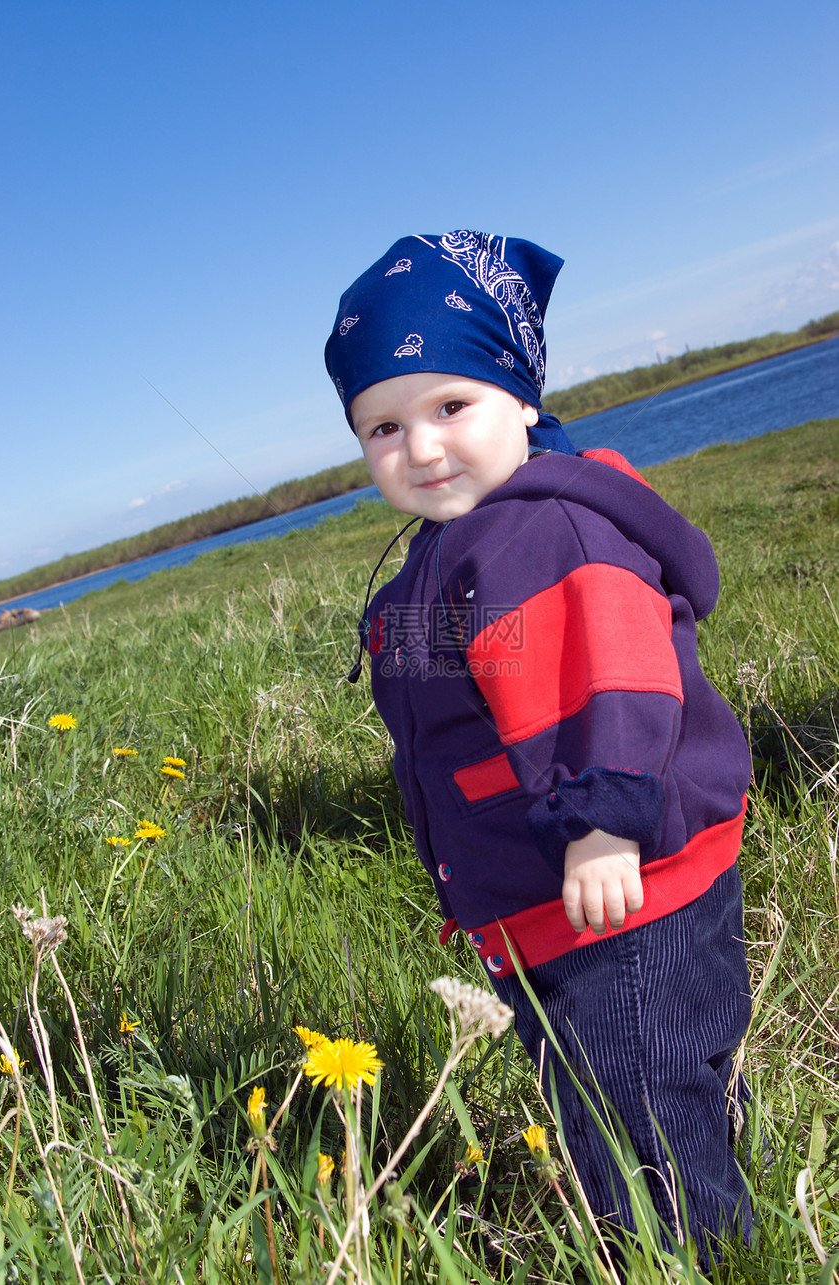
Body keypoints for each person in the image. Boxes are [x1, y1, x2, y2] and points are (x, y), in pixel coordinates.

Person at [324, 231, 753, 1258]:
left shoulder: (541, 530)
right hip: (541, 898)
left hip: (618, 887)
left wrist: (600, 820)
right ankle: (696, 1204)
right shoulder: (452, 544)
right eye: (382, 426)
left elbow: (608, 678)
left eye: (449, 406)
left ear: (519, 396)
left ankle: (694, 1256)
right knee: (612, 1085)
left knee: (637, 1091)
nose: (418, 447)